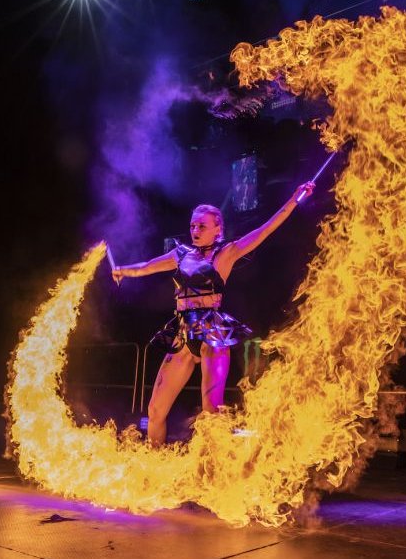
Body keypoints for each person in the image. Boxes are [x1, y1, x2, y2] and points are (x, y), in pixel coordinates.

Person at [112, 180, 315, 446]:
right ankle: (154, 462)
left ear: (217, 229)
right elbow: (149, 266)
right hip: (183, 332)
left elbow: (266, 230)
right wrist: (124, 271)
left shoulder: (226, 253)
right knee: (155, 410)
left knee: (211, 411)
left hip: (212, 333)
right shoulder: (181, 254)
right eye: (193, 226)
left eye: (202, 226)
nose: (195, 230)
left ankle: (213, 473)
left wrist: (294, 199)